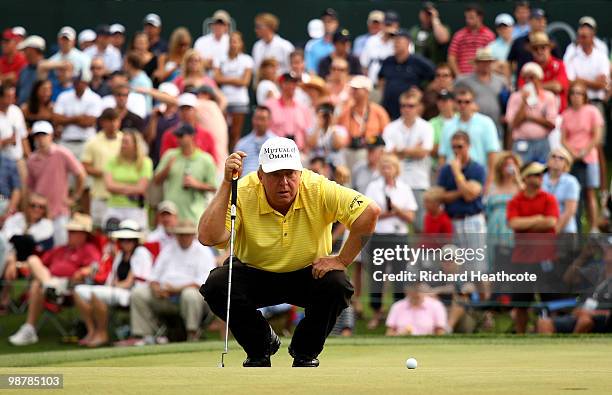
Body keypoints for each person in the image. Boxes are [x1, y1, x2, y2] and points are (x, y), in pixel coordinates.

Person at [199, 136, 380, 367]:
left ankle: (305, 352)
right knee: (217, 284)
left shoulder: (318, 187)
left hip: (308, 273)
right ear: (260, 176)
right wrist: (227, 184)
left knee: (337, 283)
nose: (284, 182)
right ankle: (260, 346)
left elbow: (370, 212)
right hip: (255, 274)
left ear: (300, 173)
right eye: (275, 175)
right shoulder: (242, 190)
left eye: (290, 174)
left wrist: (342, 260)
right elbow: (209, 237)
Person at [8, 213, 100, 346]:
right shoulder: (61, 249)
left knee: (36, 284)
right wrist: (14, 263)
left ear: (83, 234)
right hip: (51, 282)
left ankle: (30, 327)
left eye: (73, 232)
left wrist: (84, 271)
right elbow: (38, 264)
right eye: (69, 231)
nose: (69, 234)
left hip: (70, 287)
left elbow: (95, 267)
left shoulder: (88, 249)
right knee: (33, 261)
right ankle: (49, 287)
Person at [130, 220, 216, 343]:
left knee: (190, 294)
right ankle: (146, 336)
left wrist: (175, 290)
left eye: (187, 234)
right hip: (164, 296)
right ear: (176, 235)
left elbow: (204, 282)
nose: (184, 237)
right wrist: (156, 289)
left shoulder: (203, 252)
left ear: (193, 235)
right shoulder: (168, 249)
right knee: (138, 293)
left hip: (192, 298)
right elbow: (154, 277)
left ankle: (192, 334)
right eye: (181, 234)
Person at [74, 219, 152, 347]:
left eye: (129, 240)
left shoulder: (141, 253)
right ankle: (92, 331)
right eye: (122, 240)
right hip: (118, 289)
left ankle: (102, 333)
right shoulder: (120, 255)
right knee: (78, 291)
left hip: (133, 293)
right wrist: (112, 284)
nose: (125, 243)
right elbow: (113, 279)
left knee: (94, 293)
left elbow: (130, 282)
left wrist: (115, 285)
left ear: (135, 241)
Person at [364, 153, 417, 329]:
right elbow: (369, 213)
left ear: (396, 169)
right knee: (377, 275)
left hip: (399, 237)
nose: (387, 170)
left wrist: (397, 211)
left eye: (390, 166)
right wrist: (390, 213)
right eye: (384, 166)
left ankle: (398, 315)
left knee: (399, 275)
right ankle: (377, 312)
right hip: (379, 236)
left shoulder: (404, 188)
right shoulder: (373, 187)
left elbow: (410, 216)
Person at [506, 161, 559, 333]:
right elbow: (514, 223)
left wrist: (527, 223)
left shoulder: (549, 198)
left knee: (550, 301)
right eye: (536, 174)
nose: (540, 178)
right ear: (526, 178)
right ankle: (521, 337)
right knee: (521, 303)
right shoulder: (516, 201)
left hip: (545, 258)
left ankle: (551, 333)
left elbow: (551, 222)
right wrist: (538, 218)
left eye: (541, 175)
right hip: (522, 258)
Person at [27, 121, 86, 246]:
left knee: (61, 246)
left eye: (44, 135)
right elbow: (30, 187)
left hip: (60, 210)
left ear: (51, 136)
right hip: (40, 213)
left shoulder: (62, 153)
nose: (41, 139)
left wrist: (74, 197)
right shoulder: (32, 159)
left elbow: (80, 174)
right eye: (38, 136)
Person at [383, 91, 434, 231]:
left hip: (419, 181)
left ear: (418, 107)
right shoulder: (391, 127)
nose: (407, 109)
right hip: (397, 181)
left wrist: (399, 151)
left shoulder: (426, 127)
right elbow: (388, 155)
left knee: (419, 224)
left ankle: (420, 253)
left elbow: (424, 152)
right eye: (404, 106)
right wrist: (413, 150)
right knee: (397, 221)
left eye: (411, 106)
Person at [561, 81, 603, 233]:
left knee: (590, 192)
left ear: (584, 96)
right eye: (573, 93)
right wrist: (571, 152)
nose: (575, 96)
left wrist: (585, 150)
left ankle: (594, 227)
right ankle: (575, 227)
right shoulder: (566, 114)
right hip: (572, 158)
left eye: (579, 93)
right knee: (573, 193)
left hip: (589, 157)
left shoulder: (592, 111)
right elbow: (563, 138)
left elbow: (597, 135)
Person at [0, 193, 54, 313]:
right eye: (33, 205)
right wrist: (12, 255)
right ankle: (4, 299)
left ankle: (4, 299)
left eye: (41, 207)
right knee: (7, 255)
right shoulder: (16, 218)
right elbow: (4, 238)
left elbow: (37, 247)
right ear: (26, 206)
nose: (36, 209)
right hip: (9, 256)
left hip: (31, 260)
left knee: (21, 246)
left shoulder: (47, 225)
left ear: (45, 210)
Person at [154, 124, 217, 224]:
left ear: (192, 136)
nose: (178, 139)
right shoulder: (170, 155)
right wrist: (167, 169)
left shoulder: (206, 159)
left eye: (181, 136)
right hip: (171, 214)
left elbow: (214, 187)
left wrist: (196, 184)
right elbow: (156, 180)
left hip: (194, 216)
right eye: (177, 136)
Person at [438, 87, 500, 187]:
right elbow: (442, 155)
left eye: (467, 102)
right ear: (455, 103)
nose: (463, 105)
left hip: (477, 173)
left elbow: (492, 155)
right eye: (459, 102)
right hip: (452, 173)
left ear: (473, 103)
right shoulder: (448, 125)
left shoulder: (486, 123)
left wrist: (489, 182)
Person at [506, 62, 558, 164]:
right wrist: (523, 103)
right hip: (521, 142)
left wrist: (530, 118)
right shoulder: (515, 97)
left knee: (543, 173)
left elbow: (552, 124)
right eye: (525, 78)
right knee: (521, 172)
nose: (528, 81)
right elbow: (512, 124)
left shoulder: (548, 97)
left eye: (532, 77)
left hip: (542, 142)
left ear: (539, 79)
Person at [378, 29, 435, 120]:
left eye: (399, 40)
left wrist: (423, 91)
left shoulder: (418, 62)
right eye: (395, 40)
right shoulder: (388, 61)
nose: (396, 43)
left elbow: (435, 76)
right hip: (388, 111)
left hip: (409, 112)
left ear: (408, 42)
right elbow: (381, 79)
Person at [336, 75, 390, 172]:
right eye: (352, 89)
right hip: (349, 151)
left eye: (356, 89)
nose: (353, 92)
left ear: (366, 91)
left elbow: (387, 135)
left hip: (370, 152)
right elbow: (338, 132)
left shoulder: (378, 112)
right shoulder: (346, 111)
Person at [437, 131, 486, 235]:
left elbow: (469, 196)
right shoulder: (445, 169)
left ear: (468, 146)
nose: (456, 151)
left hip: (472, 219)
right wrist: (464, 189)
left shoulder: (478, 168)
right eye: (453, 147)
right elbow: (440, 197)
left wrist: (457, 172)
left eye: (460, 147)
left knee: (474, 252)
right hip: (452, 219)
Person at [81, 108, 123, 227]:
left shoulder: (125, 140)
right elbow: (85, 166)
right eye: (109, 121)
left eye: (115, 120)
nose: (113, 124)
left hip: (120, 196)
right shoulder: (93, 142)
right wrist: (105, 173)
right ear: (103, 122)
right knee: (98, 229)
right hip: (100, 194)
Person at [103, 131, 153, 229]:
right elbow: (109, 186)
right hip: (114, 206)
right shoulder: (112, 161)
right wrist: (131, 188)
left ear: (135, 145)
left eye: (126, 142)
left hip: (136, 208)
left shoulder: (146, 162)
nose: (122, 145)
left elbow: (141, 188)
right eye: (122, 142)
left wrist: (118, 187)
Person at [214, 31, 254, 151]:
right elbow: (217, 78)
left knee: (235, 133)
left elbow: (245, 82)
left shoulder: (247, 60)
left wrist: (225, 79)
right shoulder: (220, 59)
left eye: (236, 41)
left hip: (240, 101)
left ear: (241, 44)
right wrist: (236, 79)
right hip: (224, 101)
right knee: (223, 132)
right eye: (231, 41)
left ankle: (235, 159)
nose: (233, 44)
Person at [455, 47, 508, 137]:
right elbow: (453, 95)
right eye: (482, 62)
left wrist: (505, 113)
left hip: (496, 124)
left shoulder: (501, 81)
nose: (485, 64)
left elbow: (507, 99)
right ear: (476, 63)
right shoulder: (464, 81)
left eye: (488, 62)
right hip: (474, 125)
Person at [53, 72, 103, 159]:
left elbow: (89, 122)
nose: (78, 84)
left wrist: (66, 119)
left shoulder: (95, 98)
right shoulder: (63, 96)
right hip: (66, 140)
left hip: (87, 141)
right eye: (76, 81)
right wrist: (78, 118)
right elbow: (56, 119)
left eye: (81, 82)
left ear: (86, 83)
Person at [159, 93, 218, 164]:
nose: (185, 112)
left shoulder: (206, 135)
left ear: (195, 111)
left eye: (189, 109)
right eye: (182, 109)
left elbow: (213, 162)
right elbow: (164, 160)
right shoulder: (169, 134)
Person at [484, 151, 523, 259]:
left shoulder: (520, 186)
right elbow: (487, 209)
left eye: (512, 164)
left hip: (512, 226)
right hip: (494, 225)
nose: (509, 167)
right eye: (506, 164)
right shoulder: (493, 186)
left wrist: (518, 178)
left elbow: (526, 198)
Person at [518, 32, 569, 112]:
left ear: (549, 48)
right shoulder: (527, 68)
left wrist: (534, 87)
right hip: (534, 114)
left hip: (558, 113)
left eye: (543, 47)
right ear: (531, 51)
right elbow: (522, 89)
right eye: (535, 48)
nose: (539, 51)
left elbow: (557, 87)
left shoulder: (559, 65)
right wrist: (548, 86)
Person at [507, 8, 562, 80]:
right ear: (529, 21)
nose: (542, 22)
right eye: (538, 19)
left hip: (546, 80)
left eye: (544, 20)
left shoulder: (551, 40)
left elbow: (559, 61)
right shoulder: (519, 41)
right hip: (524, 82)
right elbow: (509, 62)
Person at [265, 72, 312, 150]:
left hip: (298, 152)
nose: (291, 86)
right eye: (287, 83)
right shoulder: (269, 105)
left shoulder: (303, 108)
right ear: (281, 84)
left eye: (294, 83)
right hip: (275, 152)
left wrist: (306, 150)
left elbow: (307, 133)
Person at [447, 3, 495, 76]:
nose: (468, 20)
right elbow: (451, 56)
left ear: (480, 17)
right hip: (462, 78)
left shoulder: (489, 35)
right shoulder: (458, 35)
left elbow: (491, 59)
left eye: (471, 17)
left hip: (481, 78)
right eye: (467, 18)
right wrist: (458, 75)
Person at [0, 84, 30, 194]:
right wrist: (5, 141)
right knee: (4, 195)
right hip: (1, 162)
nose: (12, 99)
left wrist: (29, 157)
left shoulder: (16, 111)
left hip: (18, 159)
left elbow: (23, 137)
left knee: (24, 191)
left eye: (13, 96)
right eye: (9, 96)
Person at [142, 82, 180, 167]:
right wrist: (153, 120)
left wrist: (148, 91)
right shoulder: (154, 114)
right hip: (154, 159)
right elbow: (148, 139)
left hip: (174, 160)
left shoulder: (180, 116)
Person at [542, 148, 580, 233]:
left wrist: (554, 231)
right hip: (542, 228)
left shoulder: (571, 182)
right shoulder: (540, 179)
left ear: (566, 163)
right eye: (553, 156)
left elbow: (570, 211)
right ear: (548, 161)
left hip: (566, 230)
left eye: (561, 158)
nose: (556, 159)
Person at [234, 106, 276, 177]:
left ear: (269, 121)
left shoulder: (276, 142)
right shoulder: (242, 143)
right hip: (246, 183)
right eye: (257, 119)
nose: (259, 123)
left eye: (262, 119)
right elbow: (236, 169)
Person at [359, 10, 399, 85]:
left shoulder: (402, 40)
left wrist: (394, 38)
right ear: (382, 24)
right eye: (387, 24)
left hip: (393, 84)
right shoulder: (372, 40)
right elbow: (364, 65)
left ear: (397, 25)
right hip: (373, 83)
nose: (388, 27)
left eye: (391, 24)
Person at [408, 2, 451, 66]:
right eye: (424, 12)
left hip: (433, 66)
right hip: (415, 66)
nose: (426, 15)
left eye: (429, 13)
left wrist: (435, 18)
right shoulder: (414, 30)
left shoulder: (443, 28)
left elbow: (443, 39)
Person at [306, 102, 348, 167]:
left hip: (335, 164)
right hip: (317, 164)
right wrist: (318, 126)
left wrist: (332, 126)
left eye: (328, 115)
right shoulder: (312, 129)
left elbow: (338, 145)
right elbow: (311, 144)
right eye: (323, 115)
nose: (326, 117)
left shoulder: (340, 130)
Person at [304, 8, 338, 73]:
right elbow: (310, 70)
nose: (328, 24)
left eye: (330, 21)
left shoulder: (341, 44)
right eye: (325, 21)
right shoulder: (311, 45)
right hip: (317, 81)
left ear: (336, 23)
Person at [15, 35, 46, 105]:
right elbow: (18, 92)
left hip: (37, 112)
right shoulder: (23, 70)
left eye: (25, 50)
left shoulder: (48, 70)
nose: (24, 53)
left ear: (32, 50)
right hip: (21, 111)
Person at [429, 89, 456, 160]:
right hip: (437, 165)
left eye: (445, 100)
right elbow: (431, 149)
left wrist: (440, 146)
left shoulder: (461, 119)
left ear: (453, 102)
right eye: (439, 101)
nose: (442, 103)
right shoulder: (432, 123)